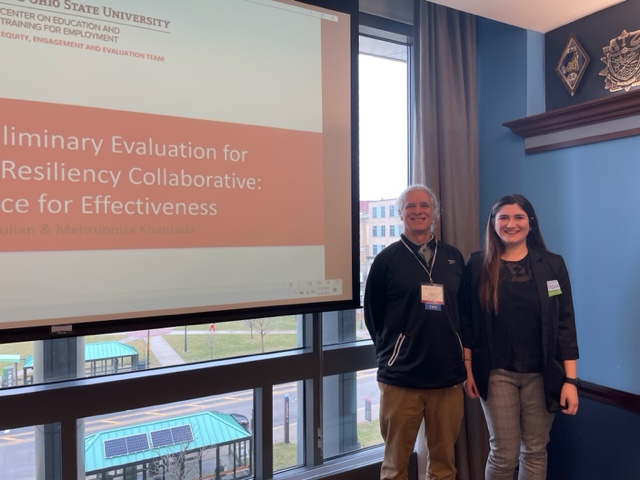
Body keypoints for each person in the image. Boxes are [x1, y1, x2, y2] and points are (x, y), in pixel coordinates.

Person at [460, 193, 579, 480]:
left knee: (536, 451)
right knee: (503, 454)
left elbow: (565, 323)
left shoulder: (552, 265)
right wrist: (467, 369)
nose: (511, 224)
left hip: (543, 374)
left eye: (518, 217)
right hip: (496, 372)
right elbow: (466, 321)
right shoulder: (477, 265)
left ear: (531, 222)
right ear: (493, 223)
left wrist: (571, 381)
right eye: (503, 218)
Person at [364, 184, 466, 480]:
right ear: (400, 214)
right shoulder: (386, 261)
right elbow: (374, 317)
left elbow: (464, 312)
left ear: (436, 213)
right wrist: (393, 353)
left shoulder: (453, 257)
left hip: (447, 378)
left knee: (444, 465)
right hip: (401, 379)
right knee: (395, 466)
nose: (418, 211)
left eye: (425, 205)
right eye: (410, 206)